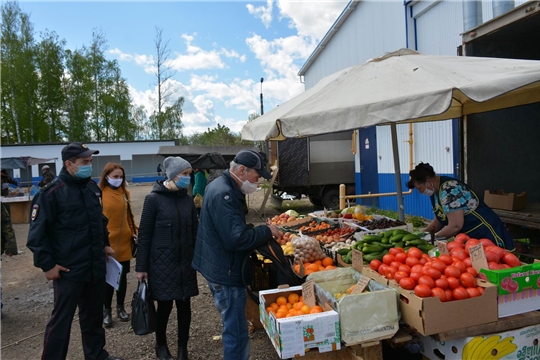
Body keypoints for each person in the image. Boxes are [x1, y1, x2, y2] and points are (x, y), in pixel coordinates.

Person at [26, 142, 123, 360]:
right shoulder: (51, 193)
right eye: (84, 162)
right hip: (69, 269)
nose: (89, 166)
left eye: (90, 162)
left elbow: (100, 221)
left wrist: (105, 243)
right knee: (61, 322)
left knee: (93, 318)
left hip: (94, 265)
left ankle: (97, 355)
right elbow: (37, 234)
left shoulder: (91, 189)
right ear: (69, 164)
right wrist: (47, 265)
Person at [192, 149, 281, 360]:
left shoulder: (219, 185)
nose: (257, 182)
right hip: (226, 272)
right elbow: (235, 239)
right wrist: (266, 232)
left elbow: (229, 228)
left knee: (234, 327)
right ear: (242, 170)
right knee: (237, 332)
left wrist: (252, 229)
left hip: (219, 265)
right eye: (256, 176)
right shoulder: (225, 194)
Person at [136, 156, 199, 360]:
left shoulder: (187, 200)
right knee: (164, 306)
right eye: (185, 174)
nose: (188, 178)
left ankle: (183, 348)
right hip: (162, 263)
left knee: (184, 306)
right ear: (172, 176)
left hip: (185, 262)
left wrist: (199, 259)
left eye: (190, 174)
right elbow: (144, 235)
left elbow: (196, 232)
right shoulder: (153, 200)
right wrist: (141, 267)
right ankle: (160, 344)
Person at [407, 162, 514, 250]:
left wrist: (432, 240)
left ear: (428, 181)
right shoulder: (435, 190)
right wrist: (422, 234)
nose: (420, 192)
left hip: (484, 231)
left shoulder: (449, 189)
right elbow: (440, 219)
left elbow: (455, 225)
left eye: (420, 188)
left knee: (495, 263)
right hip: (469, 238)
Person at [99, 163, 138, 328]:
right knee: (109, 279)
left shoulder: (125, 193)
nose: (118, 179)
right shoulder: (99, 194)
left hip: (124, 242)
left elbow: (129, 216)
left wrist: (135, 231)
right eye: (115, 176)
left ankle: (120, 307)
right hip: (108, 243)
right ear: (106, 176)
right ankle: (106, 310)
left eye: (120, 176)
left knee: (122, 278)